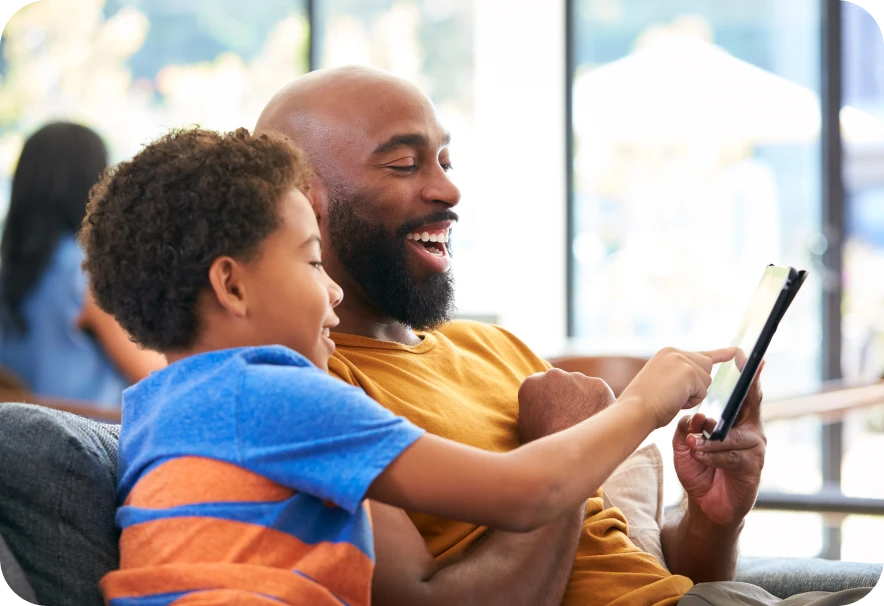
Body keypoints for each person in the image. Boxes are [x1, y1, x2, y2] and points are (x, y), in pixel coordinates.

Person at [254, 66, 876, 606]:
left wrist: (715, 519)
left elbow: (650, 581)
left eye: (445, 159)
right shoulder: (317, 389)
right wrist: (563, 444)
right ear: (306, 200)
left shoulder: (498, 351)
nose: (448, 189)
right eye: (403, 163)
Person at [82, 126, 735, 605]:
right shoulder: (276, 395)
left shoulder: (155, 410)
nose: (333, 290)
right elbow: (527, 492)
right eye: (312, 262)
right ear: (232, 286)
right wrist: (642, 403)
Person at [0, 122, 164, 406]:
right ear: (93, 185)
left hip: (18, 435)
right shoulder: (85, 270)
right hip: (94, 433)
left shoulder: (8, 267)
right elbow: (152, 374)